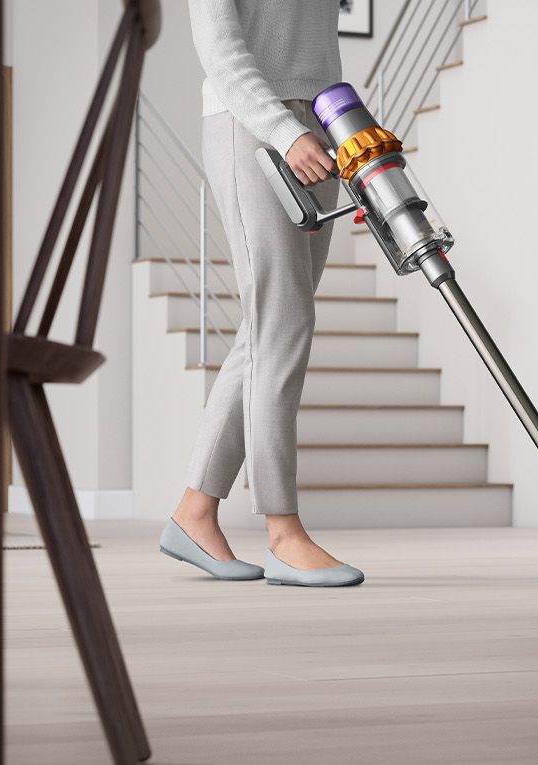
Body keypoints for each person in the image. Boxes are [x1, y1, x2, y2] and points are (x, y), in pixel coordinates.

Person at [157, 0, 364, 586]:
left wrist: (342, 129)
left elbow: (316, 48)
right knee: (282, 325)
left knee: (268, 328)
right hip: (253, 124)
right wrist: (284, 130)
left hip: (322, 128)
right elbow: (220, 50)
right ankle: (282, 532)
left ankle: (194, 513)